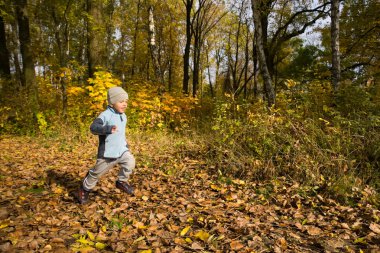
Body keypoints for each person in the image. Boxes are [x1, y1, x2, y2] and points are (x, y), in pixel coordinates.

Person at [77, 86, 136, 204]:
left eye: (126, 101)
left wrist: (126, 145)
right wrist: (108, 129)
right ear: (112, 102)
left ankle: (121, 181)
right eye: (121, 101)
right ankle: (84, 190)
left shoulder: (123, 116)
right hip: (107, 153)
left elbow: (121, 134)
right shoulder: (105, 115)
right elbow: (93, 128)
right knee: (95, 174)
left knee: (130, 162)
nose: (124, 104)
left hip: (121, 150)